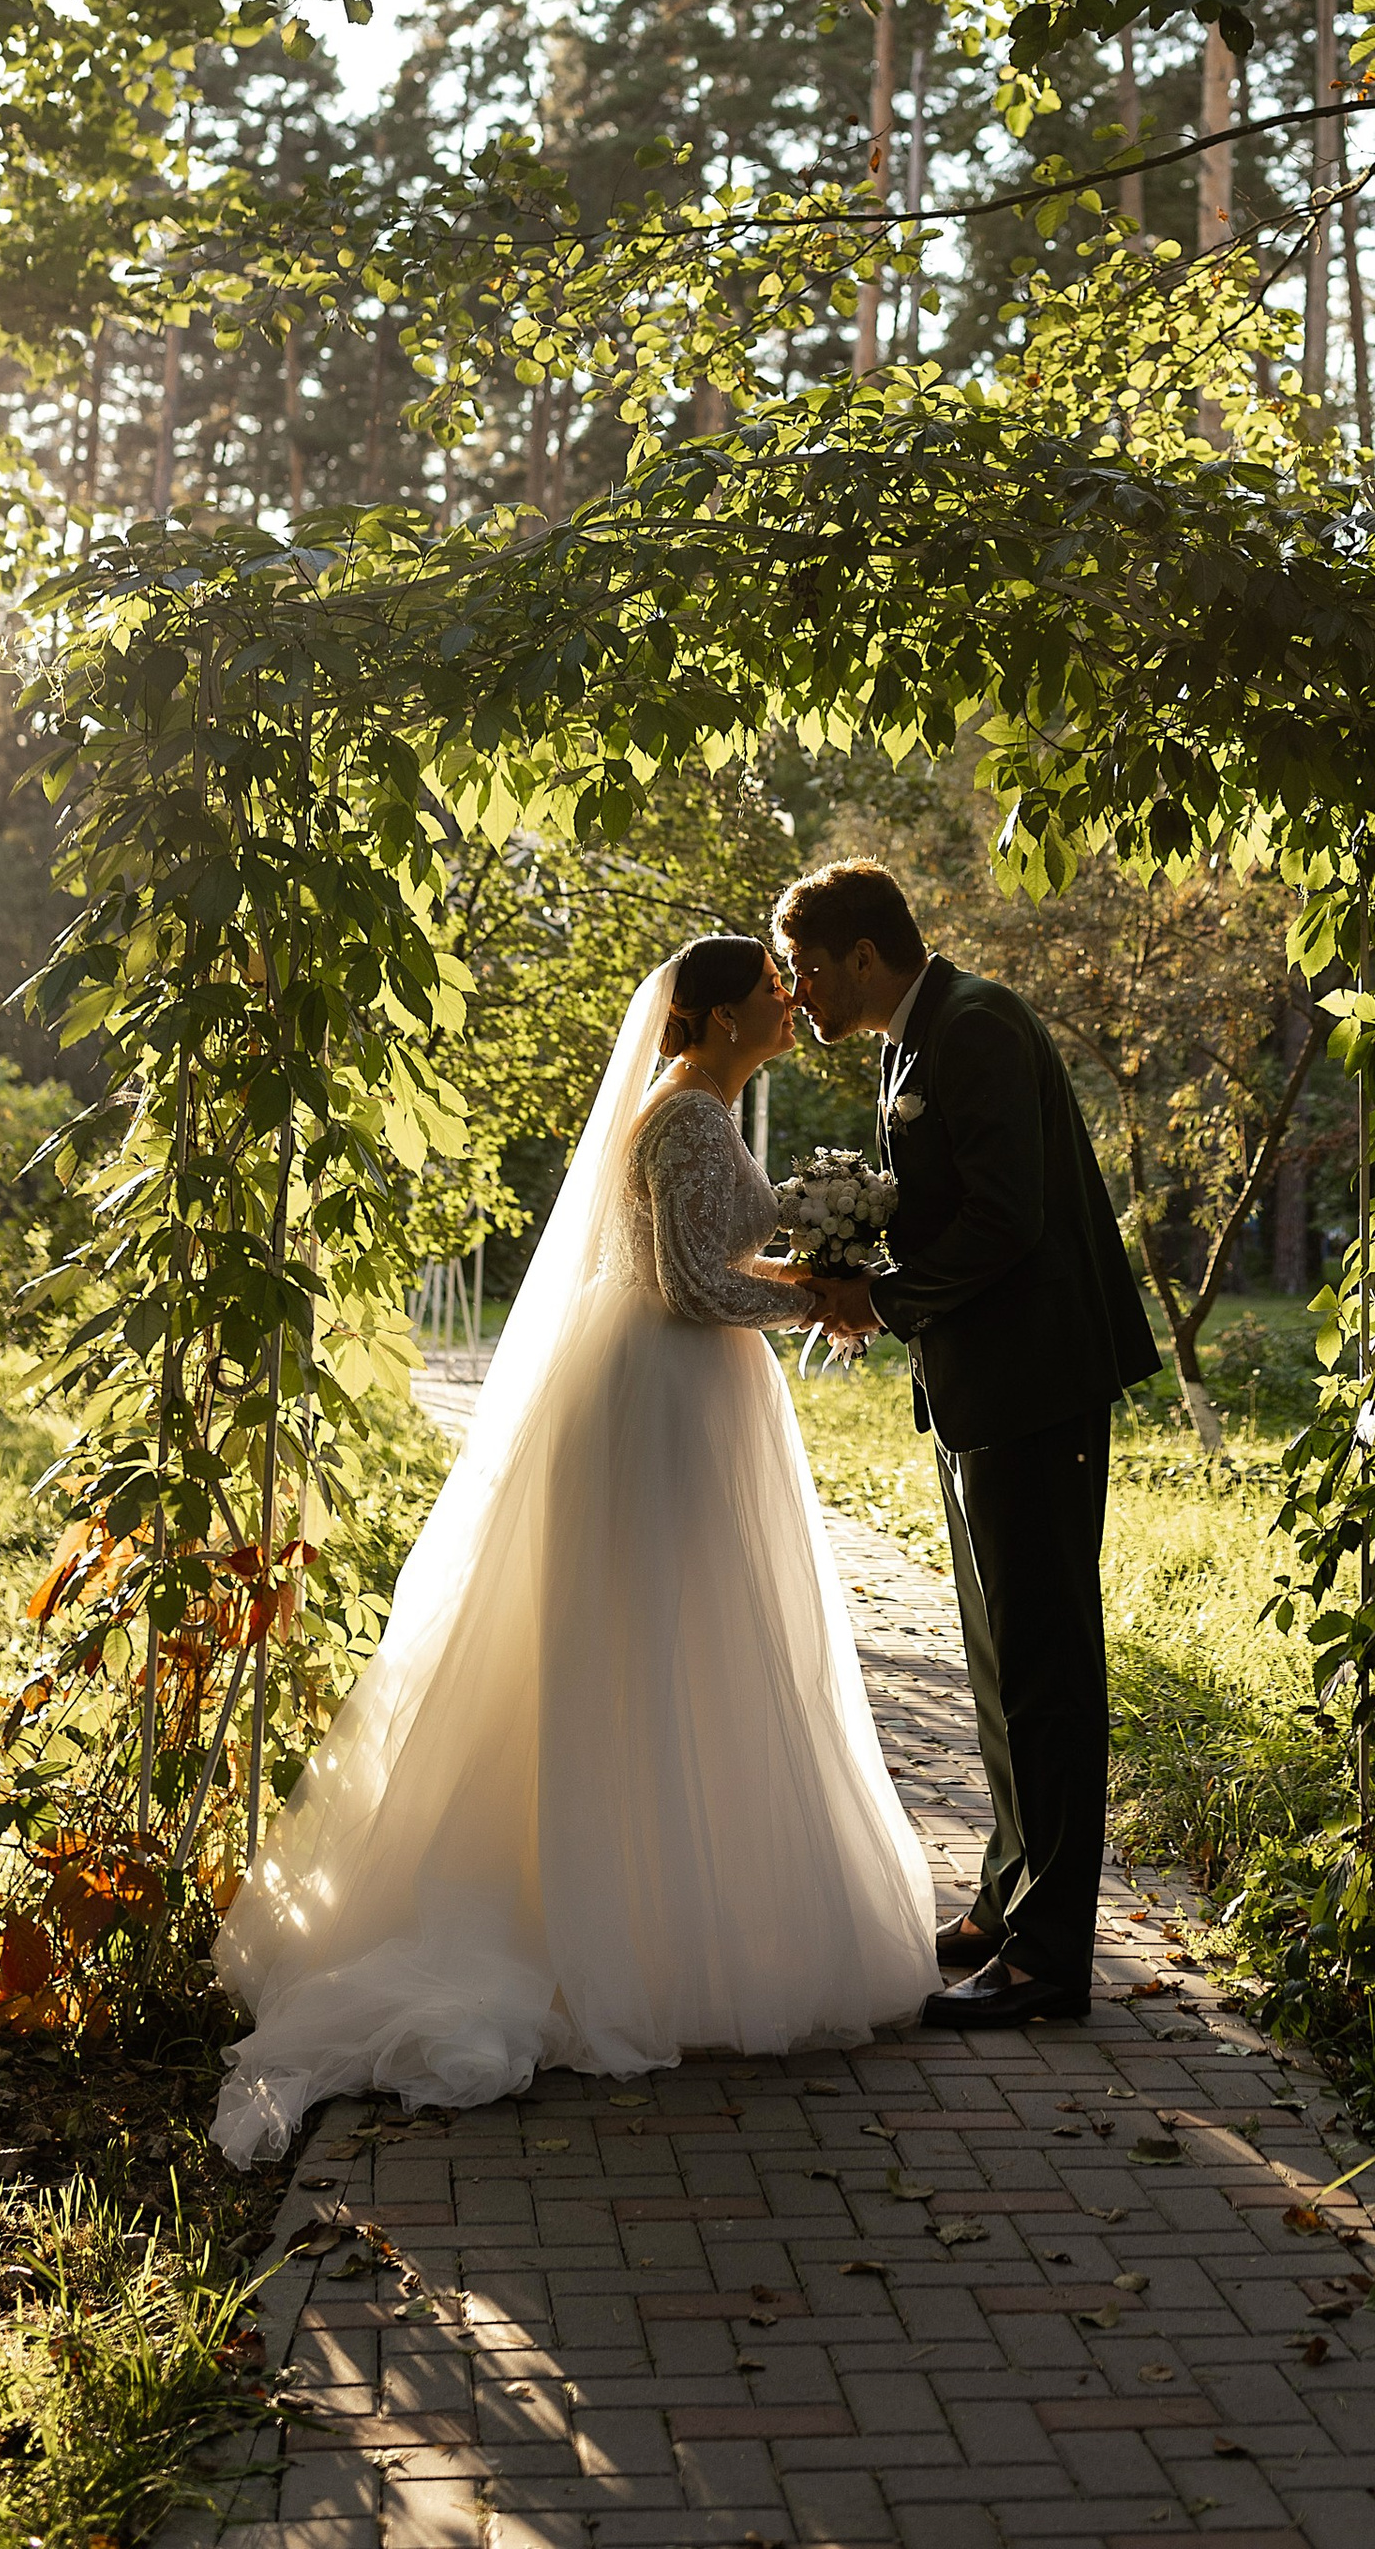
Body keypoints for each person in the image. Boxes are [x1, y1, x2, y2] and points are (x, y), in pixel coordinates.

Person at [210, 936, 934, 2161]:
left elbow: (706, 1264)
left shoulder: (700, 1108)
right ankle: (638, 1934)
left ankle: (661, 1912)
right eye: (768, 989)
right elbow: (696, 1290)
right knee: (670, 1643)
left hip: (675, 1393)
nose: (788, 999)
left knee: (673, 1645)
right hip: (669, 1393)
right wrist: (820, 1294)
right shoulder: (691, 1120)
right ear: (709, 1019)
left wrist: (817, 1255)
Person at [775, 861, 1161, 2027]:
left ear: (858, 953)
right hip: (978, 1387)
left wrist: (879, 1300)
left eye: (804, 968)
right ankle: (1008, 1896)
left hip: (1036, 1383)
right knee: (997, 1657)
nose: (796, 995)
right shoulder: (911, 1038)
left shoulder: (977, 1023)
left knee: (1046, 1660)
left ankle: (1050, 1959)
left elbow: (1008, 1216)